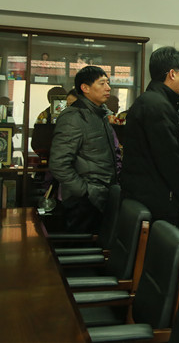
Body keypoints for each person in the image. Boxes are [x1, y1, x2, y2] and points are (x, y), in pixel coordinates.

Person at [121, 46, 179, 226]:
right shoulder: (158, 106)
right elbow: (169, 158)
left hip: (143, 193)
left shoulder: (149, 100)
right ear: (172, 74)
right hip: (156, 198)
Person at [49, 66, 120, 233]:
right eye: (102, 83)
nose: (108, 88)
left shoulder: (100, 114)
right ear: (85, 88)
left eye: (108, 83)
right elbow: (59, 164)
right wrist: (86, 191)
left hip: (103, 197)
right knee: (80, 245)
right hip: (83, 202)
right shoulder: (74, 117)